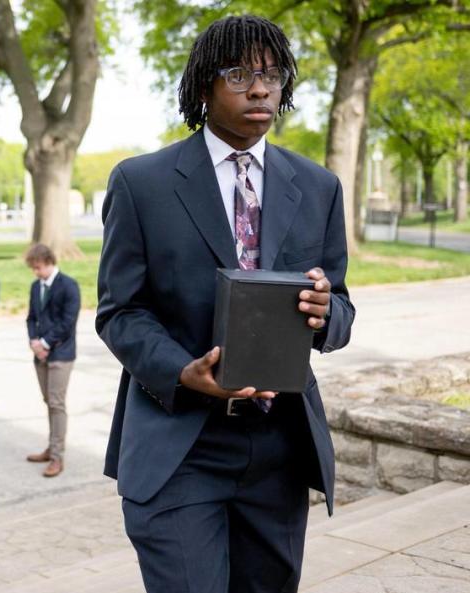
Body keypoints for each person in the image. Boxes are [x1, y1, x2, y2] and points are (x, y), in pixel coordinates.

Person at [96, 15, 354, 593]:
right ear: (203, 87)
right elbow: (119, 312)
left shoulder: (318, 186)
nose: (260, 88)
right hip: (179, 445)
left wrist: (325, 312)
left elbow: (339, 307)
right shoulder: (142, 183)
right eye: (240, 74)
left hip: (279, 450)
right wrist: (182, 373)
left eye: (272, 75)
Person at [24, 243, 80, 478]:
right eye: (33, 269)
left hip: (61, 354)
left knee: (57, 403)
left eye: (38, 268)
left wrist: (46, 343)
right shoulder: (36, 287)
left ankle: (57, 456)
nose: (36, 272)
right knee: (48, 401)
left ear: (49, 262)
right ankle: (51, 446)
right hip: (40, 354)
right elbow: (31, 318)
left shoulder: (68, 285)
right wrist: (34, 341)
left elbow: (68, 322)